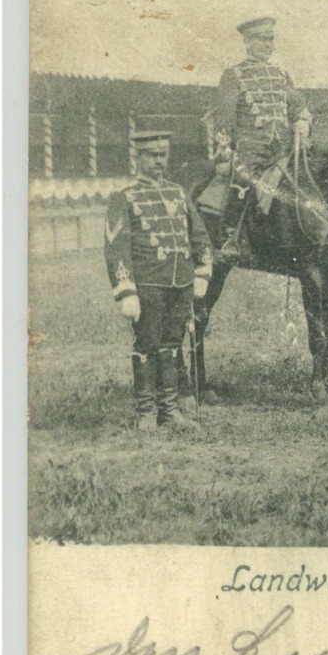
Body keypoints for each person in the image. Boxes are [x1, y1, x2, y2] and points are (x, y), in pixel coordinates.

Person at [105, 131, 213, 431]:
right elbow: (116, 249)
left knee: (172, 345)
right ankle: (146, 413)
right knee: (148, 343)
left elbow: (201, 237)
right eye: (152, 155)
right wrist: (126, 291)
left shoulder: (179, 193)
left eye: (163, 154)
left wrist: (202, 272)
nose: (158, 161)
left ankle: (169, 411)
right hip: (148, 285)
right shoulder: (124, 197)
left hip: (180, 284)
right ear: (138, 158)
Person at [207, 16, 311, 264]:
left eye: (270, 39)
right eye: (260, 39)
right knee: (242, 182)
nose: (267, 44)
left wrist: (303, 120)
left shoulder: (281, 75)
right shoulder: (234, 75)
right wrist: (223, 154)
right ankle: (229, 238)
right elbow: (225, 119)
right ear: (247, 41)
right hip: (251, 147)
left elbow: (297, 105)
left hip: (284, 147)